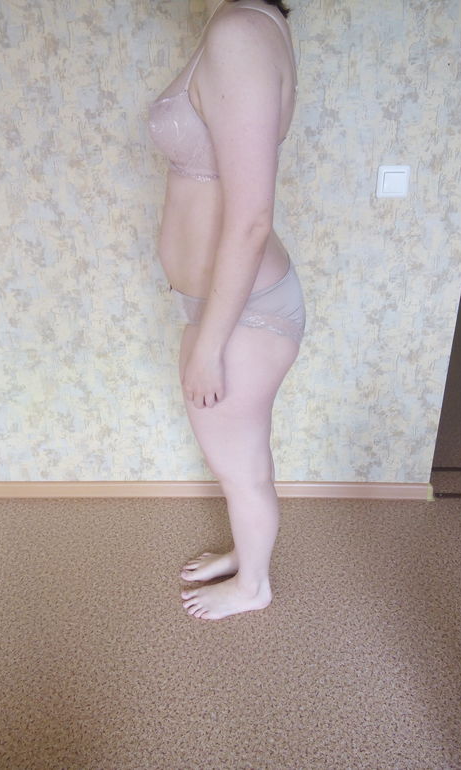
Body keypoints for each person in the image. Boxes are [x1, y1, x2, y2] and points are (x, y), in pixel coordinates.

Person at [148, 0, 304, 620]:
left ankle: (252, 587)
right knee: (243, 459)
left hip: (243, 315)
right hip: (228, 307)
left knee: (241, 471)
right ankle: (246, 552)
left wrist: (209, 347)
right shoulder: (246, 23)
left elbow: (251, 219)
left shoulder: (240, 30)